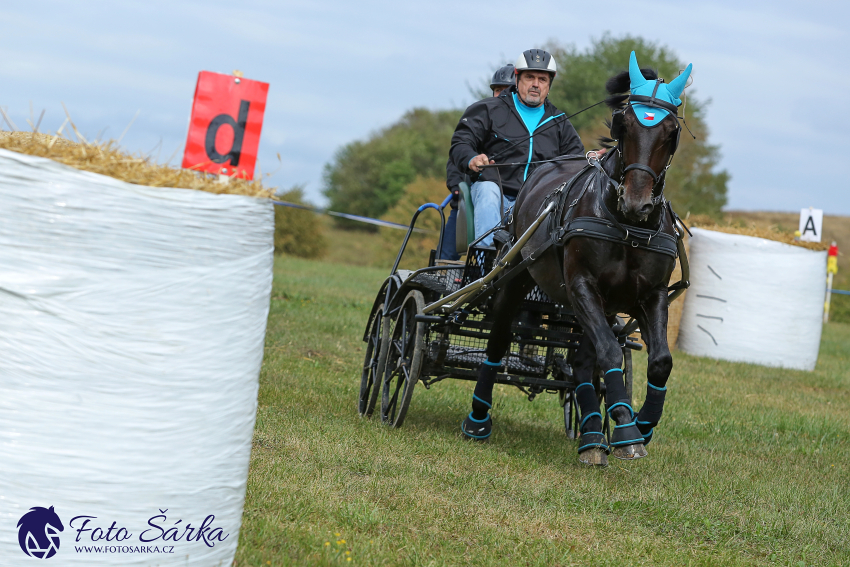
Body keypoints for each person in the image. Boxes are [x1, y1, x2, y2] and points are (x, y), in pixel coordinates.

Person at [449, 49, 585, 247]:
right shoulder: (488, 109)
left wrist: (588, 161)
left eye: (542, 79)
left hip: (537, 201)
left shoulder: (560, 122)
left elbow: (574, 160)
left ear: (549, 85)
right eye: (529, 77)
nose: (535, 84)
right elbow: (461, 142)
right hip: (495, 194)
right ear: (517, 78)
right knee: (488, 190)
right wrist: (472, 158)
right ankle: (485, 262)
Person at [438, 64, 516, 261]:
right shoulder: (482, 117)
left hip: (510, 198)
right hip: (472, 195)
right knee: (446, 256)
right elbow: (457, 153)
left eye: (506, 90)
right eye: (497, 90)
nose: (500, 94)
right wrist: (457, 187)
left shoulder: (519, 126)